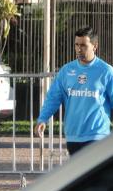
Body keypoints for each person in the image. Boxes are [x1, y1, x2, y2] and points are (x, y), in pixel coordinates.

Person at [35, 26, 113, 155]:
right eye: (76, 45)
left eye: (83, 45)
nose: (78, 49)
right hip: (73, 136)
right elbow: (53, 97)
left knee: (93, 175)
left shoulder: (106, 71)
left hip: (97, 135)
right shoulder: (66, 71)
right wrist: (42, 119)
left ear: (95, 46)